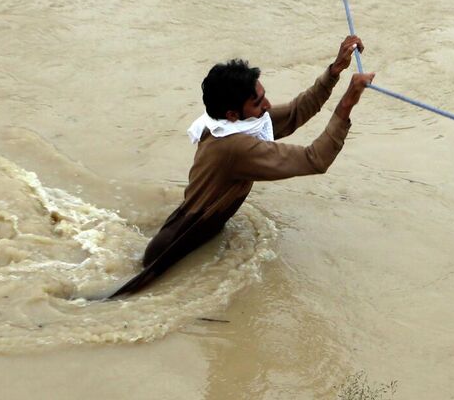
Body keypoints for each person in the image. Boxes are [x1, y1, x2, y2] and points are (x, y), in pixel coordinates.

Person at [108, 37, 374, 298]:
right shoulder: (234, 146)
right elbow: (315, 159)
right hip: (176, 243)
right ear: (233, 114)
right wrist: (348, 101)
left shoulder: (233, 122)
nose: (267, 106)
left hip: (197, 228)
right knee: (120, 299)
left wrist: (334, 70)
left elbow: (295, 112)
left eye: (263, 97)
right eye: (258, 103)